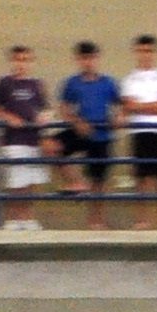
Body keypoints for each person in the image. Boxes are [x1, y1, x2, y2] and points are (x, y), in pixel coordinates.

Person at [58, 42, 121, 229]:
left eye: (91, 58)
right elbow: (64, 108)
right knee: (50, 147)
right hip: (80, 131)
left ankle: (96, 222)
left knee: (99, 182)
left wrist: (119, 117)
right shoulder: (72, 83)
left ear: (97, 58)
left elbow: (121, 105)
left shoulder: (108, 83)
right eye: (84, 58)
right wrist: (76, 121)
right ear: (78, 60)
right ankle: (76, 182)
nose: (88, 62)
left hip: (102, 135)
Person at [0, 47, 50, 230]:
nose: (21, 64)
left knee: (31, 181)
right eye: (18, 60)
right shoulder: (4, 83)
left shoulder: (37, 84)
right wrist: (8, 117)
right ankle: (14, 219)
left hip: (33, 139)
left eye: (26, 60)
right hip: (13, 139)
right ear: (12, 62)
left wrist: (45, 116)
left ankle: (28, 218)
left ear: (31, 63)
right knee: (16, 181)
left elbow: (46, 108)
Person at [121, 37, 157, 231]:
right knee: (141, 178)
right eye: (141, 51)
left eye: (149, 51)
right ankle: (142, 221)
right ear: (136, 53)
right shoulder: (129, 80)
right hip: (140, 132)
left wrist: (141, 106)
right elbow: (129, 106)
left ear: (155, 53)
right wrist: (154, 106)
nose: (145, 55)